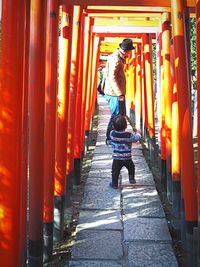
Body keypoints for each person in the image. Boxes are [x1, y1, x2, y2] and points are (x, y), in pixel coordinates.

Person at [104, 38, 135, 144]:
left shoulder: (118, 57)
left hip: (114, 92)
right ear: (127, 50)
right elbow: (112, 77)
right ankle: (109, 137)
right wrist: (119, 94)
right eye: (130, 50)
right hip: (114, 93)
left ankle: (114, 136)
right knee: (116, 115)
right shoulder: (116, 59)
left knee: (118, 114)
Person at [109, 115, 141, 189]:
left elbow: (110, 136)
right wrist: (138, 133)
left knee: (115, 171)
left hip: (116, 158)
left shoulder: (112, 134)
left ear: (113, 126)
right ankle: (131, 178)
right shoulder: (129, 135)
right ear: (126, 126)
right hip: (127, 157)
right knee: (131, 167)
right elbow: (135, 139)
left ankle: (114, 184)